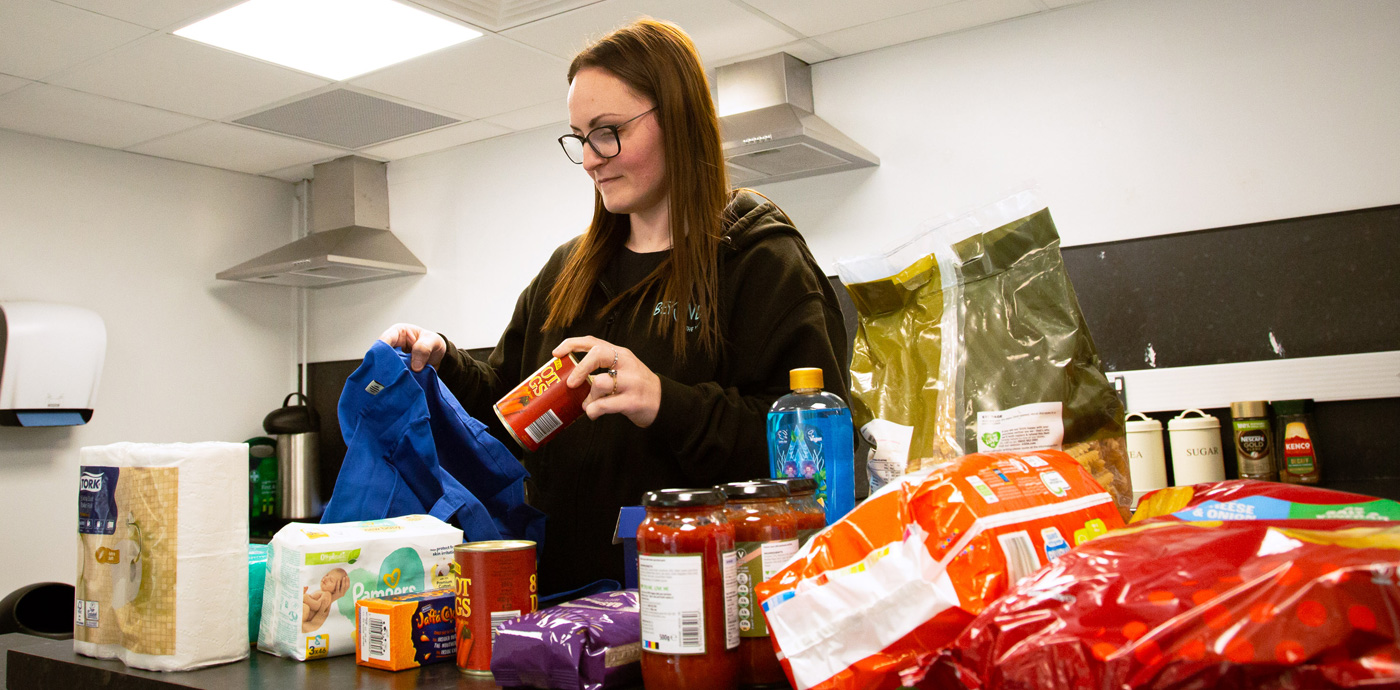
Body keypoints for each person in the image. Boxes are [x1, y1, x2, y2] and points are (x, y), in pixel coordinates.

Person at [380, 18, 848, 593]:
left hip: (703, 610)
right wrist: (445, 360)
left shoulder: (759, 262)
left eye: (608, 131)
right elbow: (508, 421)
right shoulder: (567, 272)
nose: (591, 159)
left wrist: (662, 401)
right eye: (580, 137)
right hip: (562, 610)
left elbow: (811, 457)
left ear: (677, 119)